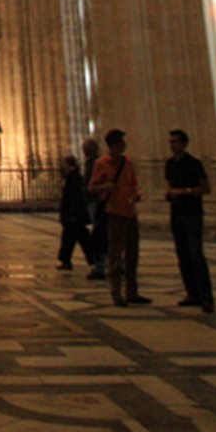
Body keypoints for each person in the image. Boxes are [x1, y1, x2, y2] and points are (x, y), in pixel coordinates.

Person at [88, 129, 150, 306]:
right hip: (114, 211)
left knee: (133, 253)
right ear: (114, 144)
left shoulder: (127, 162)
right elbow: (92, 187)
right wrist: (107, 186)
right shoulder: (102, 163)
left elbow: (134, 183)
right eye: (122, 142)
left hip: (130, 211)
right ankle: (116, 292)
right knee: (115, 253)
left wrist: (138, 193)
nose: (125, 145)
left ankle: (132, 291)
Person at [165, 128, 214, 313]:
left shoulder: (194, 164)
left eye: (175, 142)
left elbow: (206, 188)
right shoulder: (169, 164)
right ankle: (191, 294)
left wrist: (185, 192)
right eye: (170, 142)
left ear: (184, 143)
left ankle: (206, 297)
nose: (172, 145)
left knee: (196, 254)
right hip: (176, 213)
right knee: (182, 255)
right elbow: (169, 186)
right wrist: (170, 194)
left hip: (193, 213)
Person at [57, 154, 99, 271]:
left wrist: (71, 213)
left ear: (68, 164)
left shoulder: (74, 177)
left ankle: (94, 260)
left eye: (63, 164)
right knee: (69, 238)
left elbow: (75, 197)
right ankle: (66, 260)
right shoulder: (72, 176)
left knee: (82, 239)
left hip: (75, 215)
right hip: (73, 215)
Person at [82, 136, 108, 281]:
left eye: (85, 148)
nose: (84, 151)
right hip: (93, 201)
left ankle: (102, 265)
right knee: (100, 234)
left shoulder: (95, 164)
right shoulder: (91, 163)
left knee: (100, 234)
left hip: (96, 202)